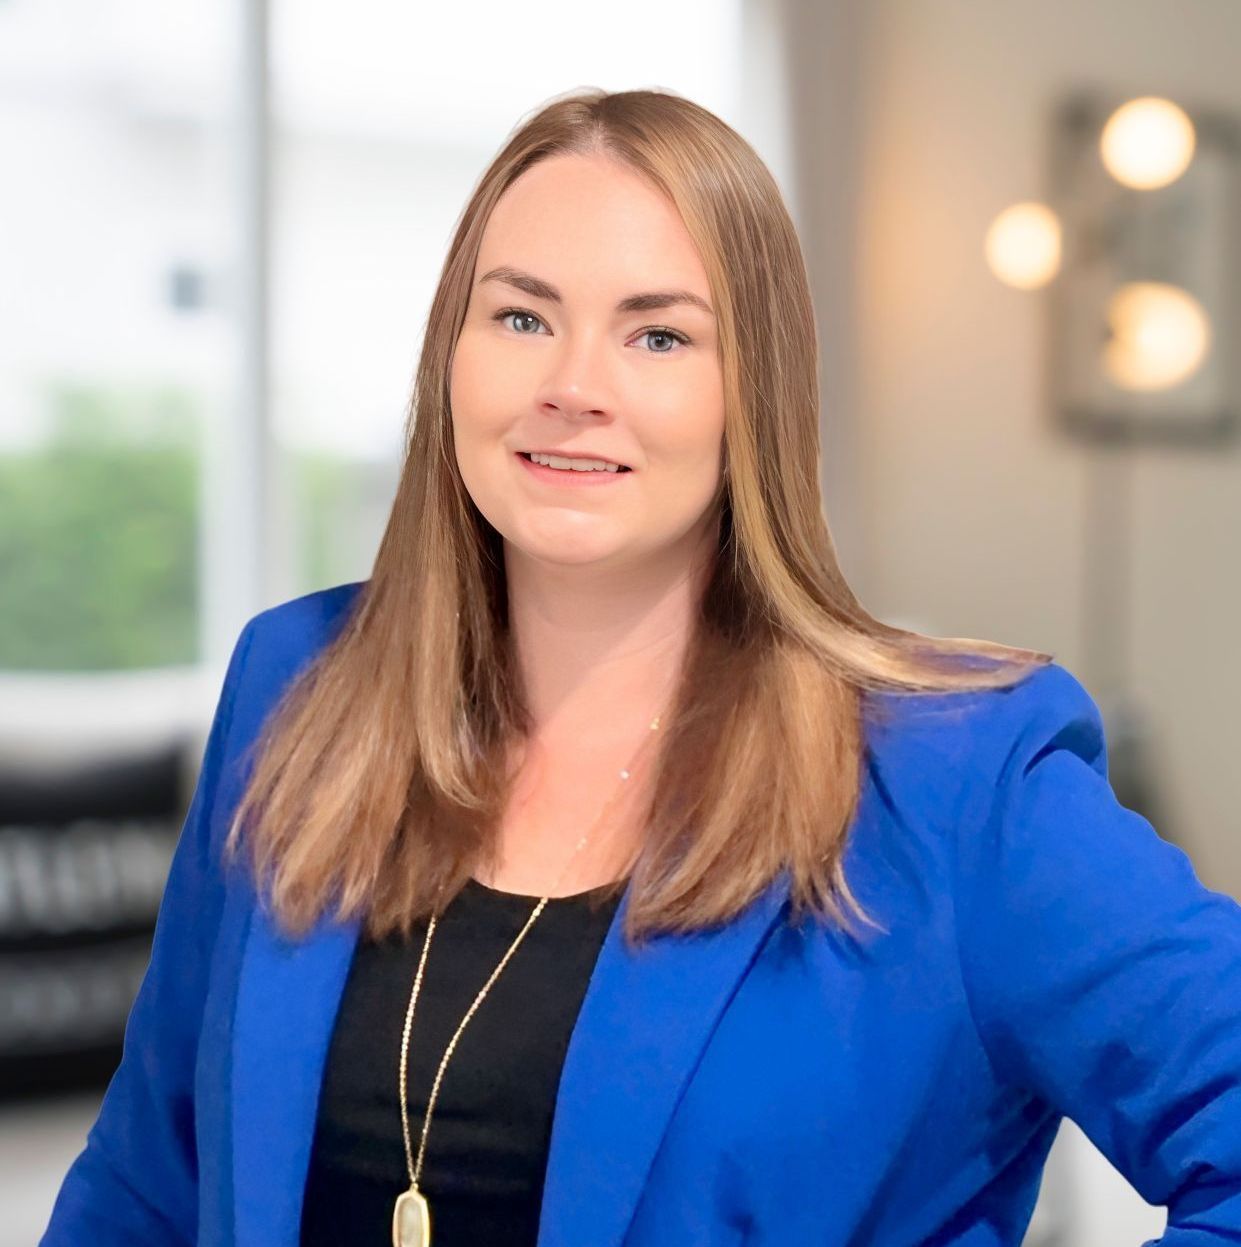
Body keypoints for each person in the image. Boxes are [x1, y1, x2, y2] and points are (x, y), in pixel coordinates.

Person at [40, 86, 1241, 1247]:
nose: (572, 386)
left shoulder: (961, 781)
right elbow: (150, 1181)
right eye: (520, 316)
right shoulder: (294, 684)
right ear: (448, 355)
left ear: (752, 394)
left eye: (658, 333)